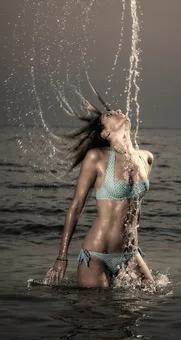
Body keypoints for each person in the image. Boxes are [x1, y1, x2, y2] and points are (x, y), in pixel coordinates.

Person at [45, 93, 154, 289]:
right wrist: (62, 257)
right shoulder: (96, 158)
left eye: (115, 111)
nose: (118, 111)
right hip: (96, 254)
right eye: (109, 114)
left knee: (149, 297)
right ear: (105, 133)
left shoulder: (145, 158)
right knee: (97, 315)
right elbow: (76, 207)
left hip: (130, 253)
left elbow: (135, 209)